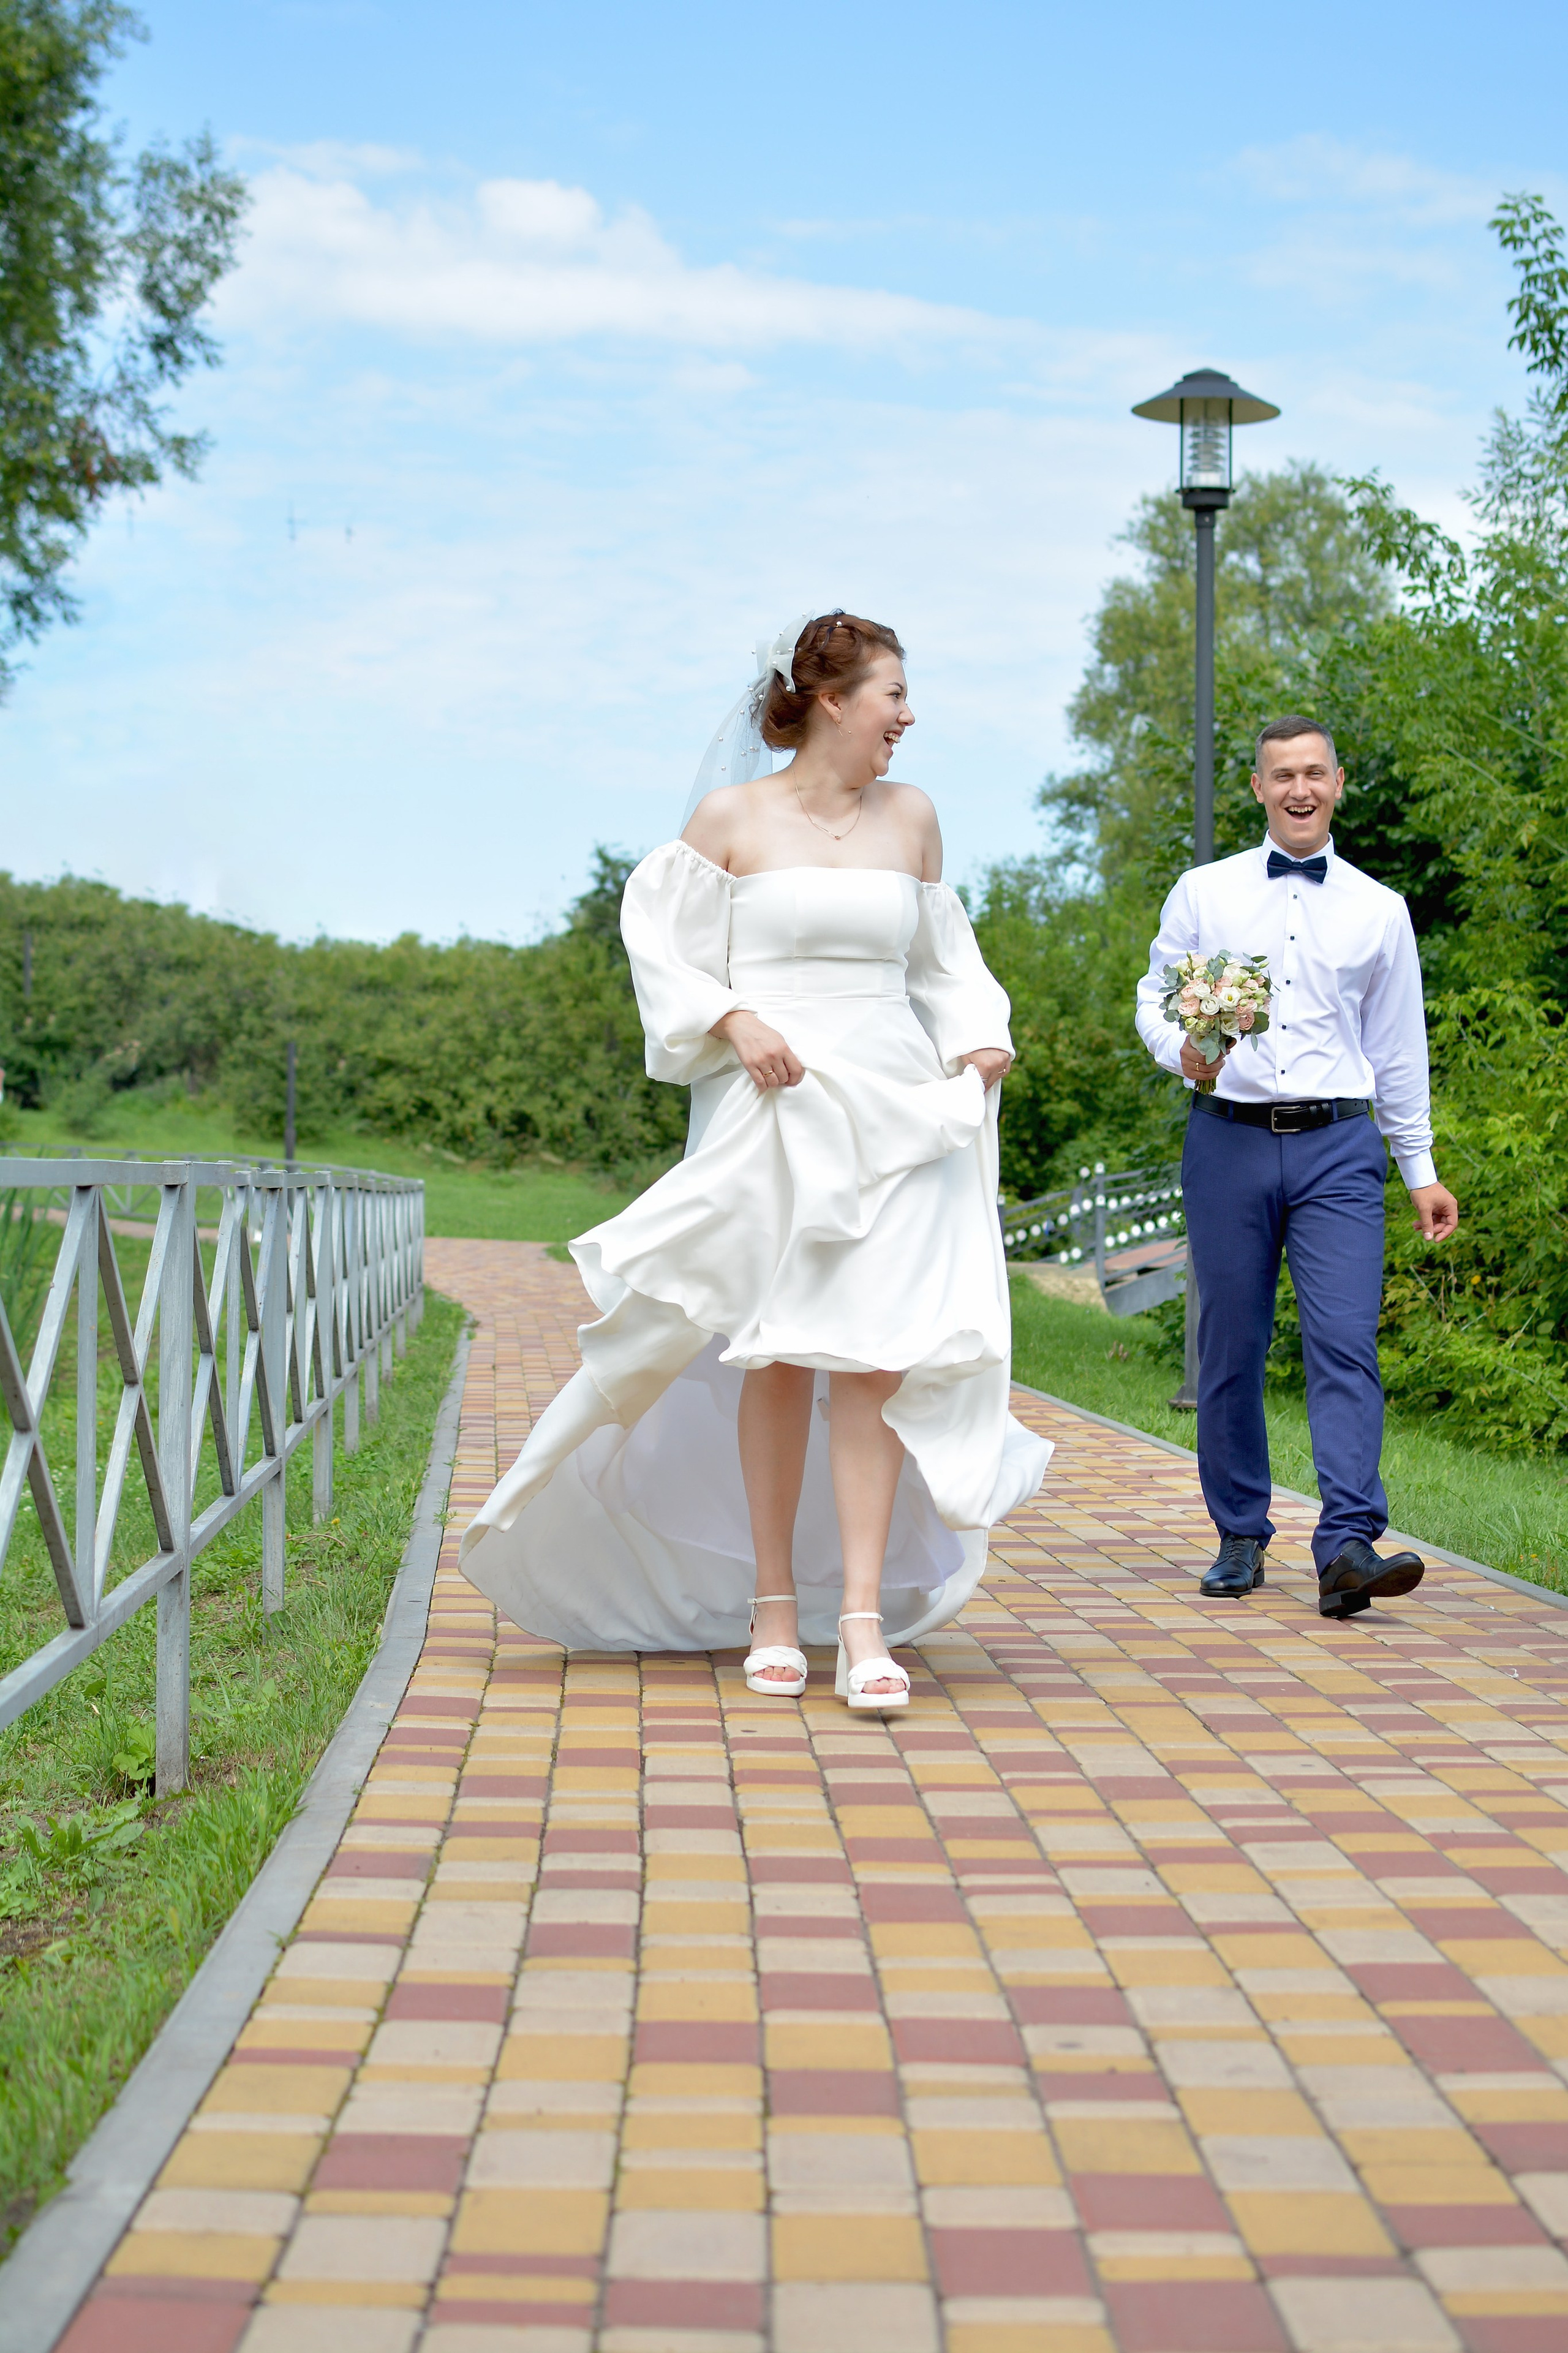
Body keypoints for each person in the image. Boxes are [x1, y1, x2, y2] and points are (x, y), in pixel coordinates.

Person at [461, 611, 1052, 1707]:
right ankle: (774, 1607)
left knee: (876, 1358)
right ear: (831, 700)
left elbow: (946, 958)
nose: (907, 717)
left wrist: (982, 1038)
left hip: (892, 1113)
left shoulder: (914, 818)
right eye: (893, 695)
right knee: (776, 1355)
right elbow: (663, 942)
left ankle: (864, 1622)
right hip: (774, 1110)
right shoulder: (730, 819)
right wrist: (733, 1017)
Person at [1134, 716, 1460, 1618]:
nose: (1300, 789)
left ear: (1339, 782)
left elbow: (1399, 1051)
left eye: (1314, 772)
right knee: (1232, 1341)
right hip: (1227, 1136)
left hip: (1339, 1149)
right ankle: (1241, 1531)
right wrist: (1181, 1052)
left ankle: (1348, 1542)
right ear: (1258, 788)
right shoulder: (1204, 892)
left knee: (1346, 1342)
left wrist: (1419, 1167)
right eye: (1283, 775)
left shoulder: (1379, 908)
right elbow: (1156, 1000)